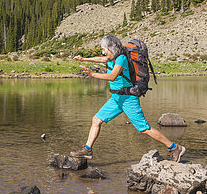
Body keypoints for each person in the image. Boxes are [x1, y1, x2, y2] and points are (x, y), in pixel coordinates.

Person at [69, 34, 186, 162]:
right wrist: (84, 59)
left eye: (104, 49)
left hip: (128, 99)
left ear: (111, 48)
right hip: (116, 99)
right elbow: (101, 59)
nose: (103, 52)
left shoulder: (121, 58)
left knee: (144, 129)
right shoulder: (112, 57)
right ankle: (87, 149)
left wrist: (92, 74)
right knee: (96, 120)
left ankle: (174, 148)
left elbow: (112, 76)